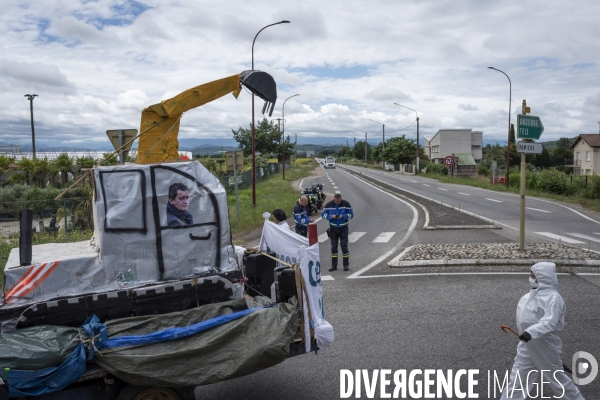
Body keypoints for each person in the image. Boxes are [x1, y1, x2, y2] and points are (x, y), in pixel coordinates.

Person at [500, 262, 584, 400]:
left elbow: (550, 321)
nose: (531, 279)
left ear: (543, 277)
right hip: (527, 345)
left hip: (545, 346)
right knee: (517, 381)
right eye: (530, 275)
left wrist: (531, 332)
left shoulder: (553, 298)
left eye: (534, 276)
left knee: (557, 382)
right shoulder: (527, 297)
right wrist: (527, 334)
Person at [321, 193, 353, 272]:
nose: (337, 203)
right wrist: (330, 216)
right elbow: (323, 215)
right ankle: (334, 265)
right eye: (336, 202)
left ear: (340, 199)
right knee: (334, 248)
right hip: (333, 229)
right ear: (334, 199)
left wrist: (344, 216)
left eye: (338, 202)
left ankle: (346, 265)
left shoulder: (346, 204)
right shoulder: (329, 205)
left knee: (344, 247)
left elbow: (351, 215)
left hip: (343, 229)